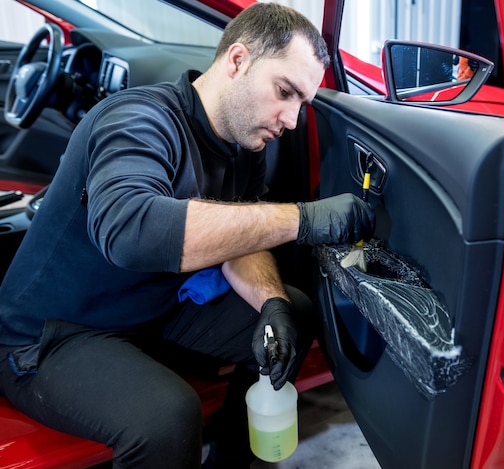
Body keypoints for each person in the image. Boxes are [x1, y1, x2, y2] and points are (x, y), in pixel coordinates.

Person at [0, 3, 375, 468]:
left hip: (152, 306)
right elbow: (131, 231)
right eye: (285, 92)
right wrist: (303, 219)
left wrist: (271, 304)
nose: (293, 120)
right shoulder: (137, 120)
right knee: (168, 417)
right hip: (56, 334)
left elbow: (240, 235)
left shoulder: (244, 144)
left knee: (293, 314)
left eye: (302, 103)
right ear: (238, 60)